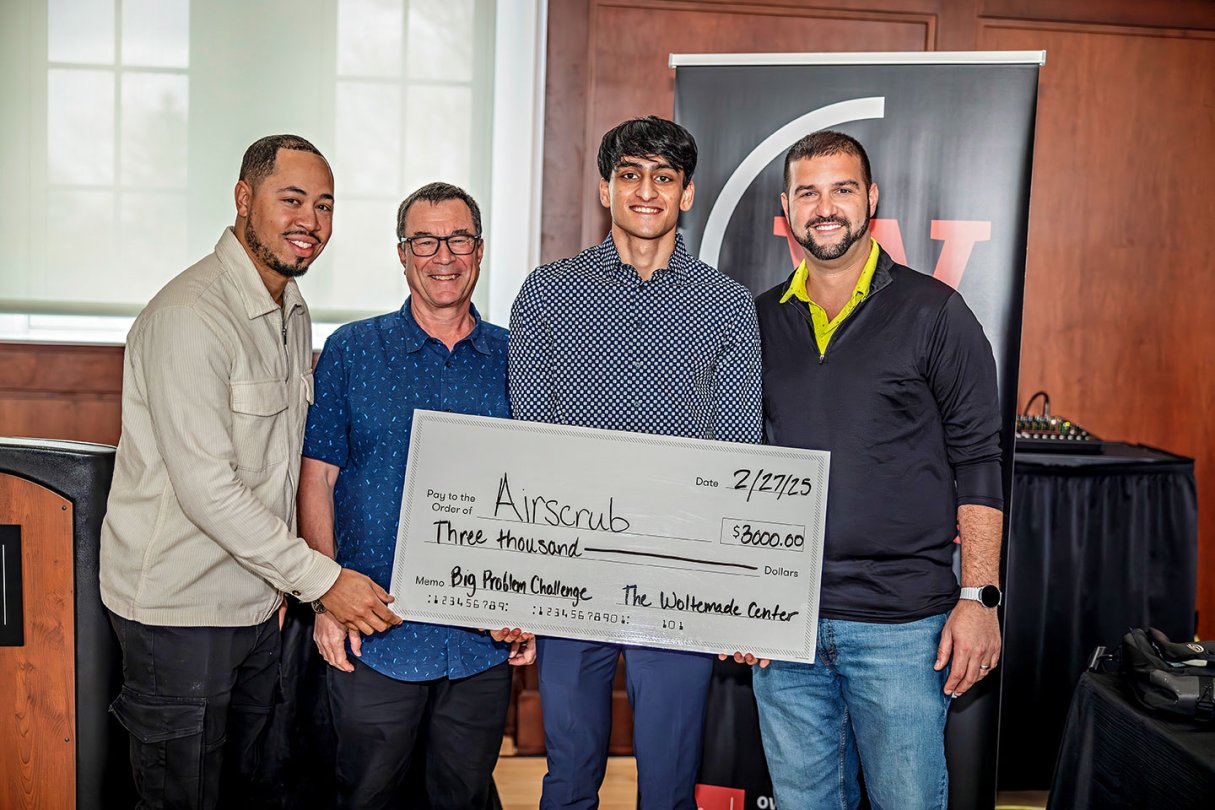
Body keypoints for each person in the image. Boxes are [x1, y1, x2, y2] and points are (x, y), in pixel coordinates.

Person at [100, 134, 401, 810]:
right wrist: (324, 582)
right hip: (180, 614)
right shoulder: (190, 316)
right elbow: (208, 490)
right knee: (181, 796)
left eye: (324, 205)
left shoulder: (291, 309)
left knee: (251, 789)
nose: (310, 221)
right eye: (291, 199)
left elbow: (279, 466)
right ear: (243, 199)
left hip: (258, 603)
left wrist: (285, 592)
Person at [508, 116, 763, 810]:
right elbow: (530, 445)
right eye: (629, 175)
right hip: (569, 572)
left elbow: (738, 453)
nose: (645, 191)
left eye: (663, 177)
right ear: (605, 188)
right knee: (567, 780)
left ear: (686, 193)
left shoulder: (726, 306)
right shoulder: (548, 293)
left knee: (670, 787)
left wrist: (736, 587)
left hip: (680, 577)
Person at [751, 130, 1004, 809]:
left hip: (901, 628)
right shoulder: (758, 322)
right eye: (808, 192)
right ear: (786, 208)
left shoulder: (935, 313)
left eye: (841, 189)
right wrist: (738, 605)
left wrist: (979, 598)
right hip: (784, 623)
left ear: (871, 199)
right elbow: (736, 464)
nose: (824, 207)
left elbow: (979, 460)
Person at [298, 182, 534, 809]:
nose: (443, 256)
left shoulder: (518, 358)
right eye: (425, 241)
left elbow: (540, 488)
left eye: (458, 239)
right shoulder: (352, 351)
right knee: (367, 794)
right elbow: (316, 478)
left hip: (482, 636)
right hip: (375, 629)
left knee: (463, 795)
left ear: (479, 250)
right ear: (402, 254)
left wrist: (534, 604)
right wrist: (324, 598)